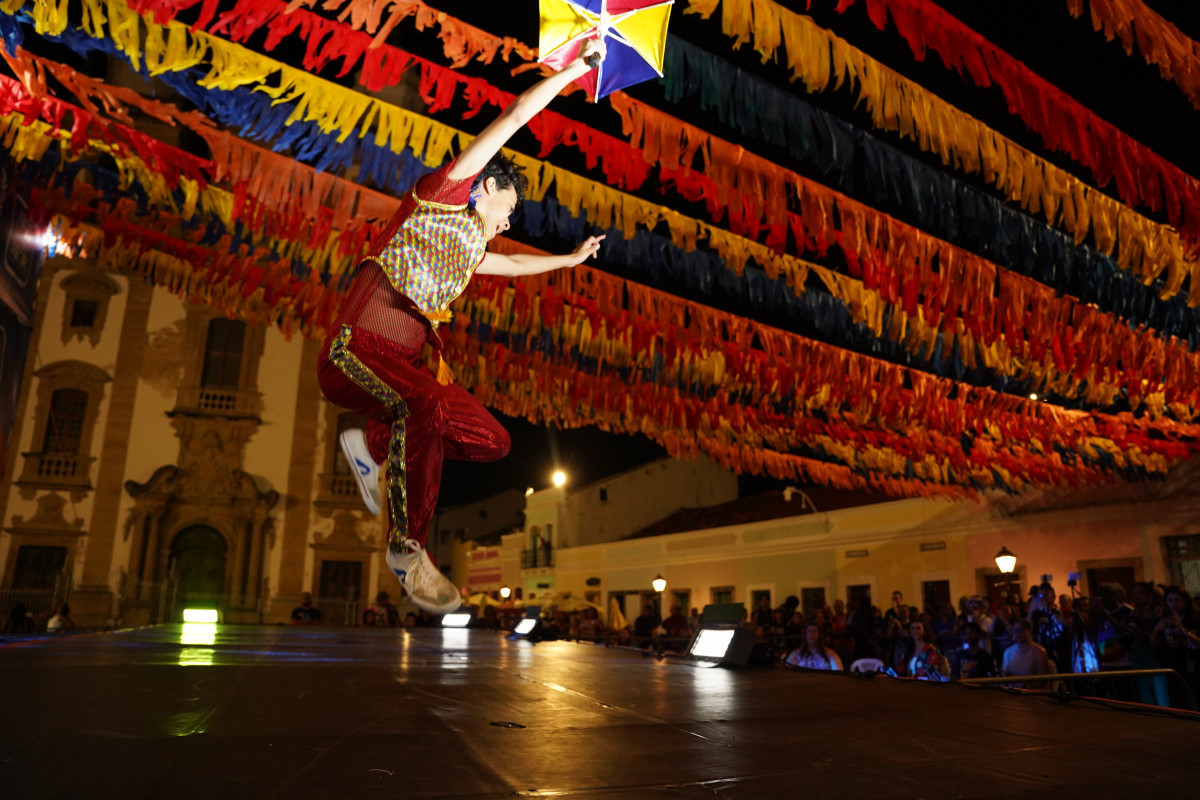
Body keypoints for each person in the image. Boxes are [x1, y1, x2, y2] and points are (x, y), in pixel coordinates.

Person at [319, 39, 609, 615]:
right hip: (354, 350)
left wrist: (569, 261)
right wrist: (575, 71)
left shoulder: (470, 248)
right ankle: (407, 549)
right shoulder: (442, 197)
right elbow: (517, 115)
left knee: (491, 441)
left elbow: (518, 264)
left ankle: (373, 448)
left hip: (400, 372)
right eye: (510, 204)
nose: (510, 218)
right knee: (424, 402)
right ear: (485, 186)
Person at [1001, 619, 1051, 683]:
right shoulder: (1008, 652)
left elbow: (1043, 679)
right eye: (1015, 630)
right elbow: (1004, 674)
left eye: (1022, 630)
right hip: (1013, 689)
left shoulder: (1038, 652)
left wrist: (1028, 686)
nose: (1018, 633)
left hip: (1033, 690)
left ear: (1030, 631)